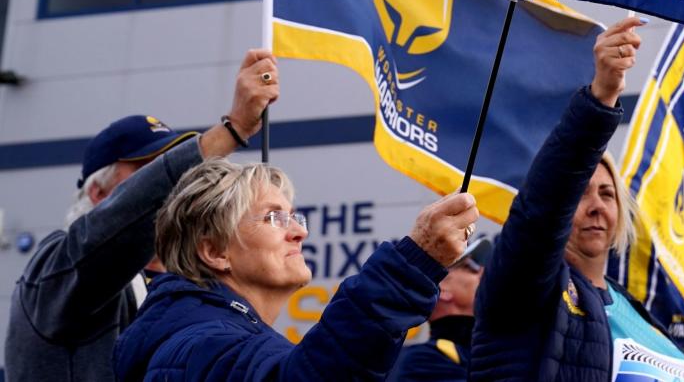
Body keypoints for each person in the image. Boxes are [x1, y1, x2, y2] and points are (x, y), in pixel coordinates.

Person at [5, 48, 280, 382]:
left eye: (167, 167)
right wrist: (231, 131)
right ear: (99, 193)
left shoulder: (196, 288)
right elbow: (114, 223)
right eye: (144, 171)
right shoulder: (58, 274)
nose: (174, 184)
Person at [471, 16, 684, 381]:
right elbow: (542, 211)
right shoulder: (525, 283)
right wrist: (602, 96)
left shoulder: (634, 309)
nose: (596, 205)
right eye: (580, 194)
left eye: (607, 194)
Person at [112, 158, 479, 380]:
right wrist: (413, 262)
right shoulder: (202, 345)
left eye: (294, 216)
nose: (300, 231)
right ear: (214, 250)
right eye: (274, 217)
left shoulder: (203, 335)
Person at [389, 235, 492, 381]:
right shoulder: (422, 362)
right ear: (442, 291)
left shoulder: (497, 347)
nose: (483, 271)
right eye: (471, 267)